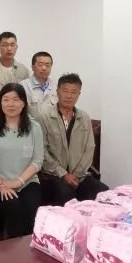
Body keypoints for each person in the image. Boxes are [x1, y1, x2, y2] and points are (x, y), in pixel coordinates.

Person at [0, 83, 45, 238]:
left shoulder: (34, 127)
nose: (11, 104)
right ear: (0, 103)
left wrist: (18, 182)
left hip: (27, 181)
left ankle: (30, 247)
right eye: (6, 99)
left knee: (32, 208)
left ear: (23, 103)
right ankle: (13, 249)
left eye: (16, 99)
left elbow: (37, 161)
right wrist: (1, 184)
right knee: (13, 207)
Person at [39, 73, 108, 205]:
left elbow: (89, 148)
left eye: (73, 92)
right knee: (66, 195)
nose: (69, 96)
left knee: (103, 192)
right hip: (54, 174)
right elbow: (42, 151)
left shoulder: (84, 117)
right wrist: (63, 174)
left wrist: (77, 174)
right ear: (57, 92)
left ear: (79, 94)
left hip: (80, 175)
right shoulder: (45, 116)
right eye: (65, 91)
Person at [20, 51, 58, 119]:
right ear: (32, 67)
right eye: (40, 65)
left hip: (51, 125)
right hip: (30, 125)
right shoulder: (23, 86)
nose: (44, 68)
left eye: (47, 65)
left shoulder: (56, 87)